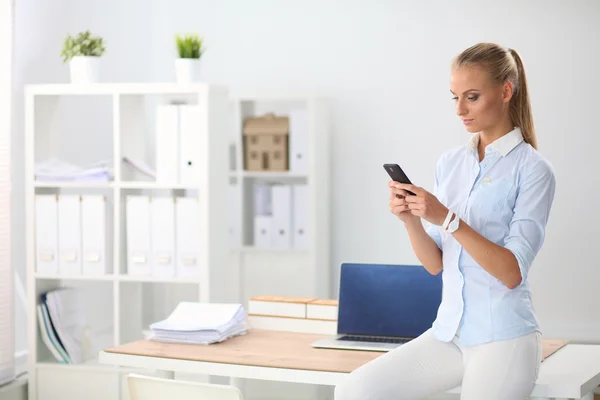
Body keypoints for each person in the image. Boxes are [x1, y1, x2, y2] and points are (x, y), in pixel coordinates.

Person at [334, 42, 556, 400]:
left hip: (504, 337)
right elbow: (436, 265)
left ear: (505, 91)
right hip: (448, 334)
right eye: (454, 98)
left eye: (471, 97)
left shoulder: (533, 170)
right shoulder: (451, 163)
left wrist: (448, 218)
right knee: (354, 390)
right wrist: (411, 221)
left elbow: (512, 272)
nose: (460, 110)